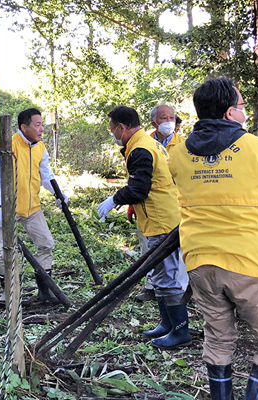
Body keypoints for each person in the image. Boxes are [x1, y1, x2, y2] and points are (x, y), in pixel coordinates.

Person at [169, 77, 258, 400]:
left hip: (200, 261)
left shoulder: (178, 155)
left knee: (219, 339)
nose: (243, 112)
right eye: (240, 106)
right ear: (228, 113)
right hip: (250, 261)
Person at [96, 106, 190, 349]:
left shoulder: (140, 148)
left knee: (167, 276)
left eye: (112, 130)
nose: (113, 134)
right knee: (158, 273)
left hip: (162, 219)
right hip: (159, 216)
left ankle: (180, 330)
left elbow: (139, 189)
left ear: (122, 127)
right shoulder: (147, 143)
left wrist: (114, 200)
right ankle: (166, 324)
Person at [0, 108, 66, 303]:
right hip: (10, 209)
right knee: (6, 250)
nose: (41, 130)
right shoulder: (9, 146)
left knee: (46, 243)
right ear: (24, 127)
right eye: (37, 125)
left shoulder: (40, 148)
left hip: (33, 208)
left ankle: (45, 290)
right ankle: (8, 294)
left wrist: (58, 193)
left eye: (42, 125)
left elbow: (46, 175)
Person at [135, 105, 188, 302]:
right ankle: (151, 286)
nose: (168, 121)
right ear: (153, 122)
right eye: (163, 117)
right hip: (148, 205)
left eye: (171, 117)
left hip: (176, 204)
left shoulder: (183, 145)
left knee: (177, 247)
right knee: (147, 244)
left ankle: (178, 290)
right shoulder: (144, 143)